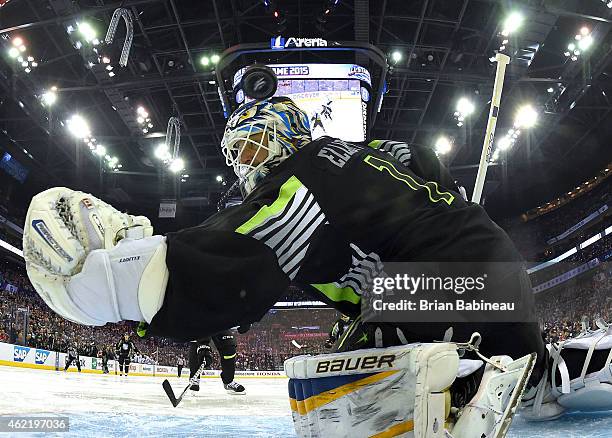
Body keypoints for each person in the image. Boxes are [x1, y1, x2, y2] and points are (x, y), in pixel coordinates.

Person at [22, 97, 612, 435]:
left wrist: (113, 278)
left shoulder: (301, 176)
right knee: (354, 331)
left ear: (283, 137)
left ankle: (460, 387)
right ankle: (533, 372)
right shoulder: (365, 159)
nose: (243, 168)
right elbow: (425, 165)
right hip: (493, 290)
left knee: (323, 383)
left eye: (250, 149)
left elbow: (236, 259)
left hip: (440, 296)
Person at [188, 330, 245, 395]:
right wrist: (203, 345)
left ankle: (228, 381)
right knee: (196, 340)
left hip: (219, 322)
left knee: (229, 344)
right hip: (199, 323)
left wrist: (245, 321)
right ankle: (195, 378)